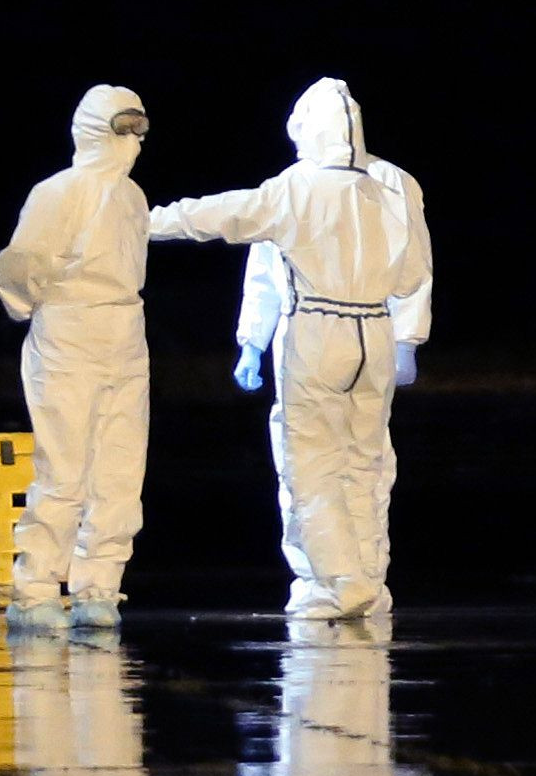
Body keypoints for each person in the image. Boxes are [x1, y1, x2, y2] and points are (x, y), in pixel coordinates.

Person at [147, 79, 431, 625]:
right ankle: (364, 580)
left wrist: (144, 222)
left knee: (309, 465)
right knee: (366, 463)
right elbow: (416, 270)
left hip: (317, 329)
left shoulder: (295, 188)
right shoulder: (390, 186)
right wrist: (406, 336)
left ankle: (338, 580)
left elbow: (221, 219)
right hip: (372, 328)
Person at [0, 85, 157, 627]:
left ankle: (99, 585)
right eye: (123, 126)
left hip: (125, 331)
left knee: (120, 466)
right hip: (69, 329)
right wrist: (34, 308)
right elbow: (21, 266)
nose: (134, 139)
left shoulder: (132, 197)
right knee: (64, 466)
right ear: (94, 128)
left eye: (140, 126)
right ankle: (37, 587)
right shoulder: (57, 192)